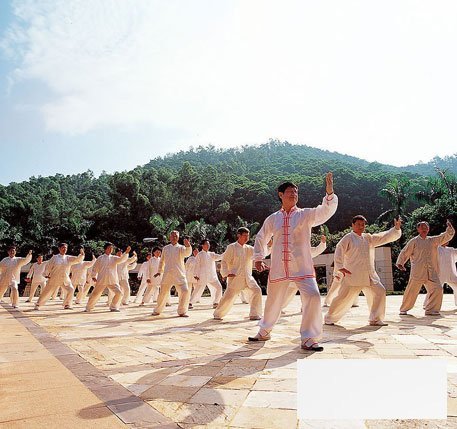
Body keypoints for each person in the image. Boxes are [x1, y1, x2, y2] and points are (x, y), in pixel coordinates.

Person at [249, 172, 338, 351]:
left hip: (302, 267)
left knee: (313, 296)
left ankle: (309, 338)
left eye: (296, 192)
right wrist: (258, 257)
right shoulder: (273, 218)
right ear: (280, 195)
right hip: (279, 268)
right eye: (290, 191)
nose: (294, 194)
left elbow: (325, 211)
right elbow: (261, 237)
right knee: (273, 301)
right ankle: (264, 330)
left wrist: (329, 194)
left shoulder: (306, 215)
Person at [324, 216, 402, 326]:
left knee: (380, 291)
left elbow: (383, 237)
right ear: (353, 225)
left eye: (363, 224)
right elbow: (339, 249)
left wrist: (396, 229)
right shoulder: (348, 238)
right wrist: (340, 266)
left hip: (369, 275)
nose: (361, 226)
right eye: (358, 224)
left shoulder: (368, 238)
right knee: (343, 298)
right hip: (352, 275)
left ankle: (375, 318)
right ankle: (329, 317)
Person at [397, 220, 455, 316]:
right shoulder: (414, 241)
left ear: (428, 229)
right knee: (411, 291)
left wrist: (449, 229)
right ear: (418, 229)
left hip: (432, 271)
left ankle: (431, 310)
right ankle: (404, 309)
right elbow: (405, 252)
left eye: (426, 227)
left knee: (438, 289)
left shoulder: (433, 240)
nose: (424, 229)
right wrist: (400, 263)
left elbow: (444, 237)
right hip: (418, 272)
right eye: (422, 227)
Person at [213, 227, 262, 320]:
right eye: (245, 236)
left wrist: (269, 246)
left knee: (257, 290)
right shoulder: (232, 247)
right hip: (236, 278)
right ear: (238, 235)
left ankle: (254, 314)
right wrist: (226, 273)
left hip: (248, 277)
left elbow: (259, 253)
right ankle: (218, 314)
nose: (247, 238)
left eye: (248, 236)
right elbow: (224, 261)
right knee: (228, 297)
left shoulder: (249, 248)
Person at [281, 235, 327, 312]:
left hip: (305, 276)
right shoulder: (289, 249)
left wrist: (322, 243)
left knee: (306, 293)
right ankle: (279, 307)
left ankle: (305, 308)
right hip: (293, 276)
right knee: (288, 295)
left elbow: (316, 250)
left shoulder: (307, 249)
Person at [152, 231, 192, 317]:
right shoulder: (165, 248)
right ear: (169, 237)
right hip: (167, 274)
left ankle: (182, 311)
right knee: (163, 293)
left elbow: (187, 253)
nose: (174, 237)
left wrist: (188, 246)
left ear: (178, 238)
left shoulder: (181, 248)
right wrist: (160, 271)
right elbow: (162, 261)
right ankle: (158, 310)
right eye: (173, 236)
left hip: (179, 274)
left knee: (185, 291)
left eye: (176, 236)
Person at [35, 243, 84, 310]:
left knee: (71, 289)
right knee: (47, 292)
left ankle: (67, 304)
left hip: (65, 278)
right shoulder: (55, 257)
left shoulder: (68, 258)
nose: (65, 249)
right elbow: (48, 266)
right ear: (59, 248)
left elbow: (77, 260)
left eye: (66, 248)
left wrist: (81, 255)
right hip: (54, 277)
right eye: (63, 247)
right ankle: (38, 304)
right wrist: (46, 274)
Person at [86, 243, 131, 312]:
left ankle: (113, 307)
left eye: (112, 248)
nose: (111, 249)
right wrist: (94, 276)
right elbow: (95, 268)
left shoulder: (114, 258)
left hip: (112, 280)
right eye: (109, 248)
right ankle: (89, 307)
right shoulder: (100, 258)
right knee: (95, 294)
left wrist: (126, 252)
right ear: (105, 249)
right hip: (102, 279)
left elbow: (122, 259)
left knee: (119, 293)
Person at [189, 240, 223, 309]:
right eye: (206, 244)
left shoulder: (211, 254)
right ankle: (190, 302)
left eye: (209, 244)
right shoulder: (200, 254)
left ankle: (216, 302)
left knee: (219, 287)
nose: (208, 245)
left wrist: (227, 253)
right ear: (202, 245)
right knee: (198, 289)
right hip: (202, 276)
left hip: (212, 276)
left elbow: (219, 257)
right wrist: (196, 274)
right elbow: (197, 265)